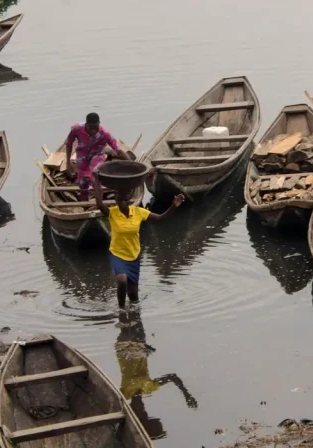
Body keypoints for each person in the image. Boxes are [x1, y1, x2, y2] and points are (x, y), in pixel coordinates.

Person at [93, 174, 185, 308]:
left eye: (122, 199)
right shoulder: (112, 213)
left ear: (128, 200)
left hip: (134, 256)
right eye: (117, 199)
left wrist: (174, 206)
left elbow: (161, 218)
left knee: (134, 297)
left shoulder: (138, 212)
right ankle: (121, 311)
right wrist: (95, 180)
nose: (119, 202)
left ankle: (133, 316)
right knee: (122, 280)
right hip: (117, 254)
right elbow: (99, 203)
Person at [116, 309, 197, 440]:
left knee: (124, 315)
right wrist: (186, 394)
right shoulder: (148, 387)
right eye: (143, 411)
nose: (141, 408)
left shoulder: (123, 394)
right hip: (139, 344)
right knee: (134, 312)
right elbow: (173, 376)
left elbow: (116, 411)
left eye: (140, 411)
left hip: (124, 347)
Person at [62, 112, 131, 200]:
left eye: (96, 127)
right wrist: (68, 162)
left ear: (99, 124)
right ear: (86, 125)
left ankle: (100, 203)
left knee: (95, 176)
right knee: (83, 182)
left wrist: (132, 164)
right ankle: (85, 203)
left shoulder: (105, 133)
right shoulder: (77, 128)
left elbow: (118, 151)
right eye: (91, 128)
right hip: (82, 156)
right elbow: (69, 143)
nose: (93, 131)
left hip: (97, 155)